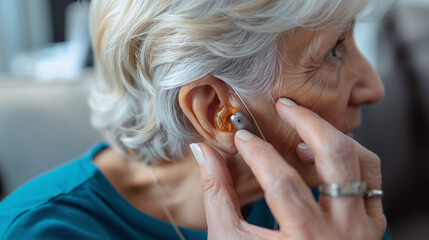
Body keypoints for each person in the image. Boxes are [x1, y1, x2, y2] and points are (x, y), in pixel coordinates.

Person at [0, 0, 391, 239]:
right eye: (333, 52)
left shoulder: (333, 191)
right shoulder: (37, 232)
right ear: (218, 113)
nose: (374, 87)